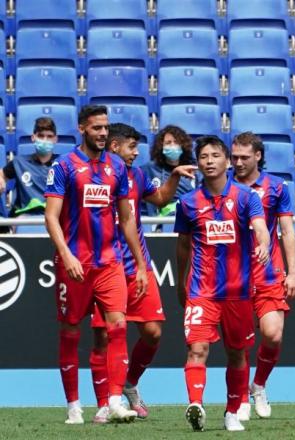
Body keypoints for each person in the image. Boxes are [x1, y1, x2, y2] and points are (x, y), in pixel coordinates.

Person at [44, 105, 148, 424]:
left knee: (117, 327)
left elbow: (127, 220)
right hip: (74, 264)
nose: (102, 133)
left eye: (105, 128)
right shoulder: (64, 166)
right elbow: (51, 216)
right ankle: (74, 405)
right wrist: (67, 254)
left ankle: (113, 401)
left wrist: (141, 265)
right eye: (96, 128)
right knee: (71, 333)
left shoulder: (116, 167)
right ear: (82, 129)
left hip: (109, 263)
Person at [88, 123, 197, 423]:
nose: (136, 152)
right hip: (104, 265)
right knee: (102, 337)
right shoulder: (92, 176)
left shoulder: (136, 175)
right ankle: (102, 403)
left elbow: (161, 198)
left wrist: (173, 177)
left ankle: (129, 383)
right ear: (114, 147)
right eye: (131, 146)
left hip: (138, 264)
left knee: (152, 332)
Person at [175, 135, 270, 432]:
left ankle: (232, 411)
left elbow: (260, 227)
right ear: (198, 163)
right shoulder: (188, 203)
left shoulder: (246, 197)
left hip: (238, 292)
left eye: (215, 155)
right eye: (203, 156)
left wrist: (263, 244)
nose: (209, 161)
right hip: (201, 291)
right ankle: (196, 405)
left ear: (228, 161)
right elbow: (182, 246)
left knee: (237, 353)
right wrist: (181, 282)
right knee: (197, 349)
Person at [229, 131, 295, 420]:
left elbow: (286, 231)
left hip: (270, 273)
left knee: (272, 335)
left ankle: (258, 385)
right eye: (234, 157)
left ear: (258, 156)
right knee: (242, 341)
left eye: (244, 157)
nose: (238, 162)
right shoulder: (223, 186)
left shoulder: (276, 187)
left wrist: (293, 271)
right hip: (235, 277)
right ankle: (241, 398)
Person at [0, 117, 59, 216]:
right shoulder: (19, 162)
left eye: (49, 136)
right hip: (24, 218)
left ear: (55, 139)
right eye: (41, 136)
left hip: (55, 217)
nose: (45, 140)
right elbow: (2, 174)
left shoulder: (63, 164)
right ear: (33, 138)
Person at [141, 125, 198, 219]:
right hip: (158, 221)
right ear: (161, 147)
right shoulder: (149, 169)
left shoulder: (193, 169)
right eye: (168, 143)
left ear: (183, 146)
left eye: (176, 142)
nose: (172, 146)